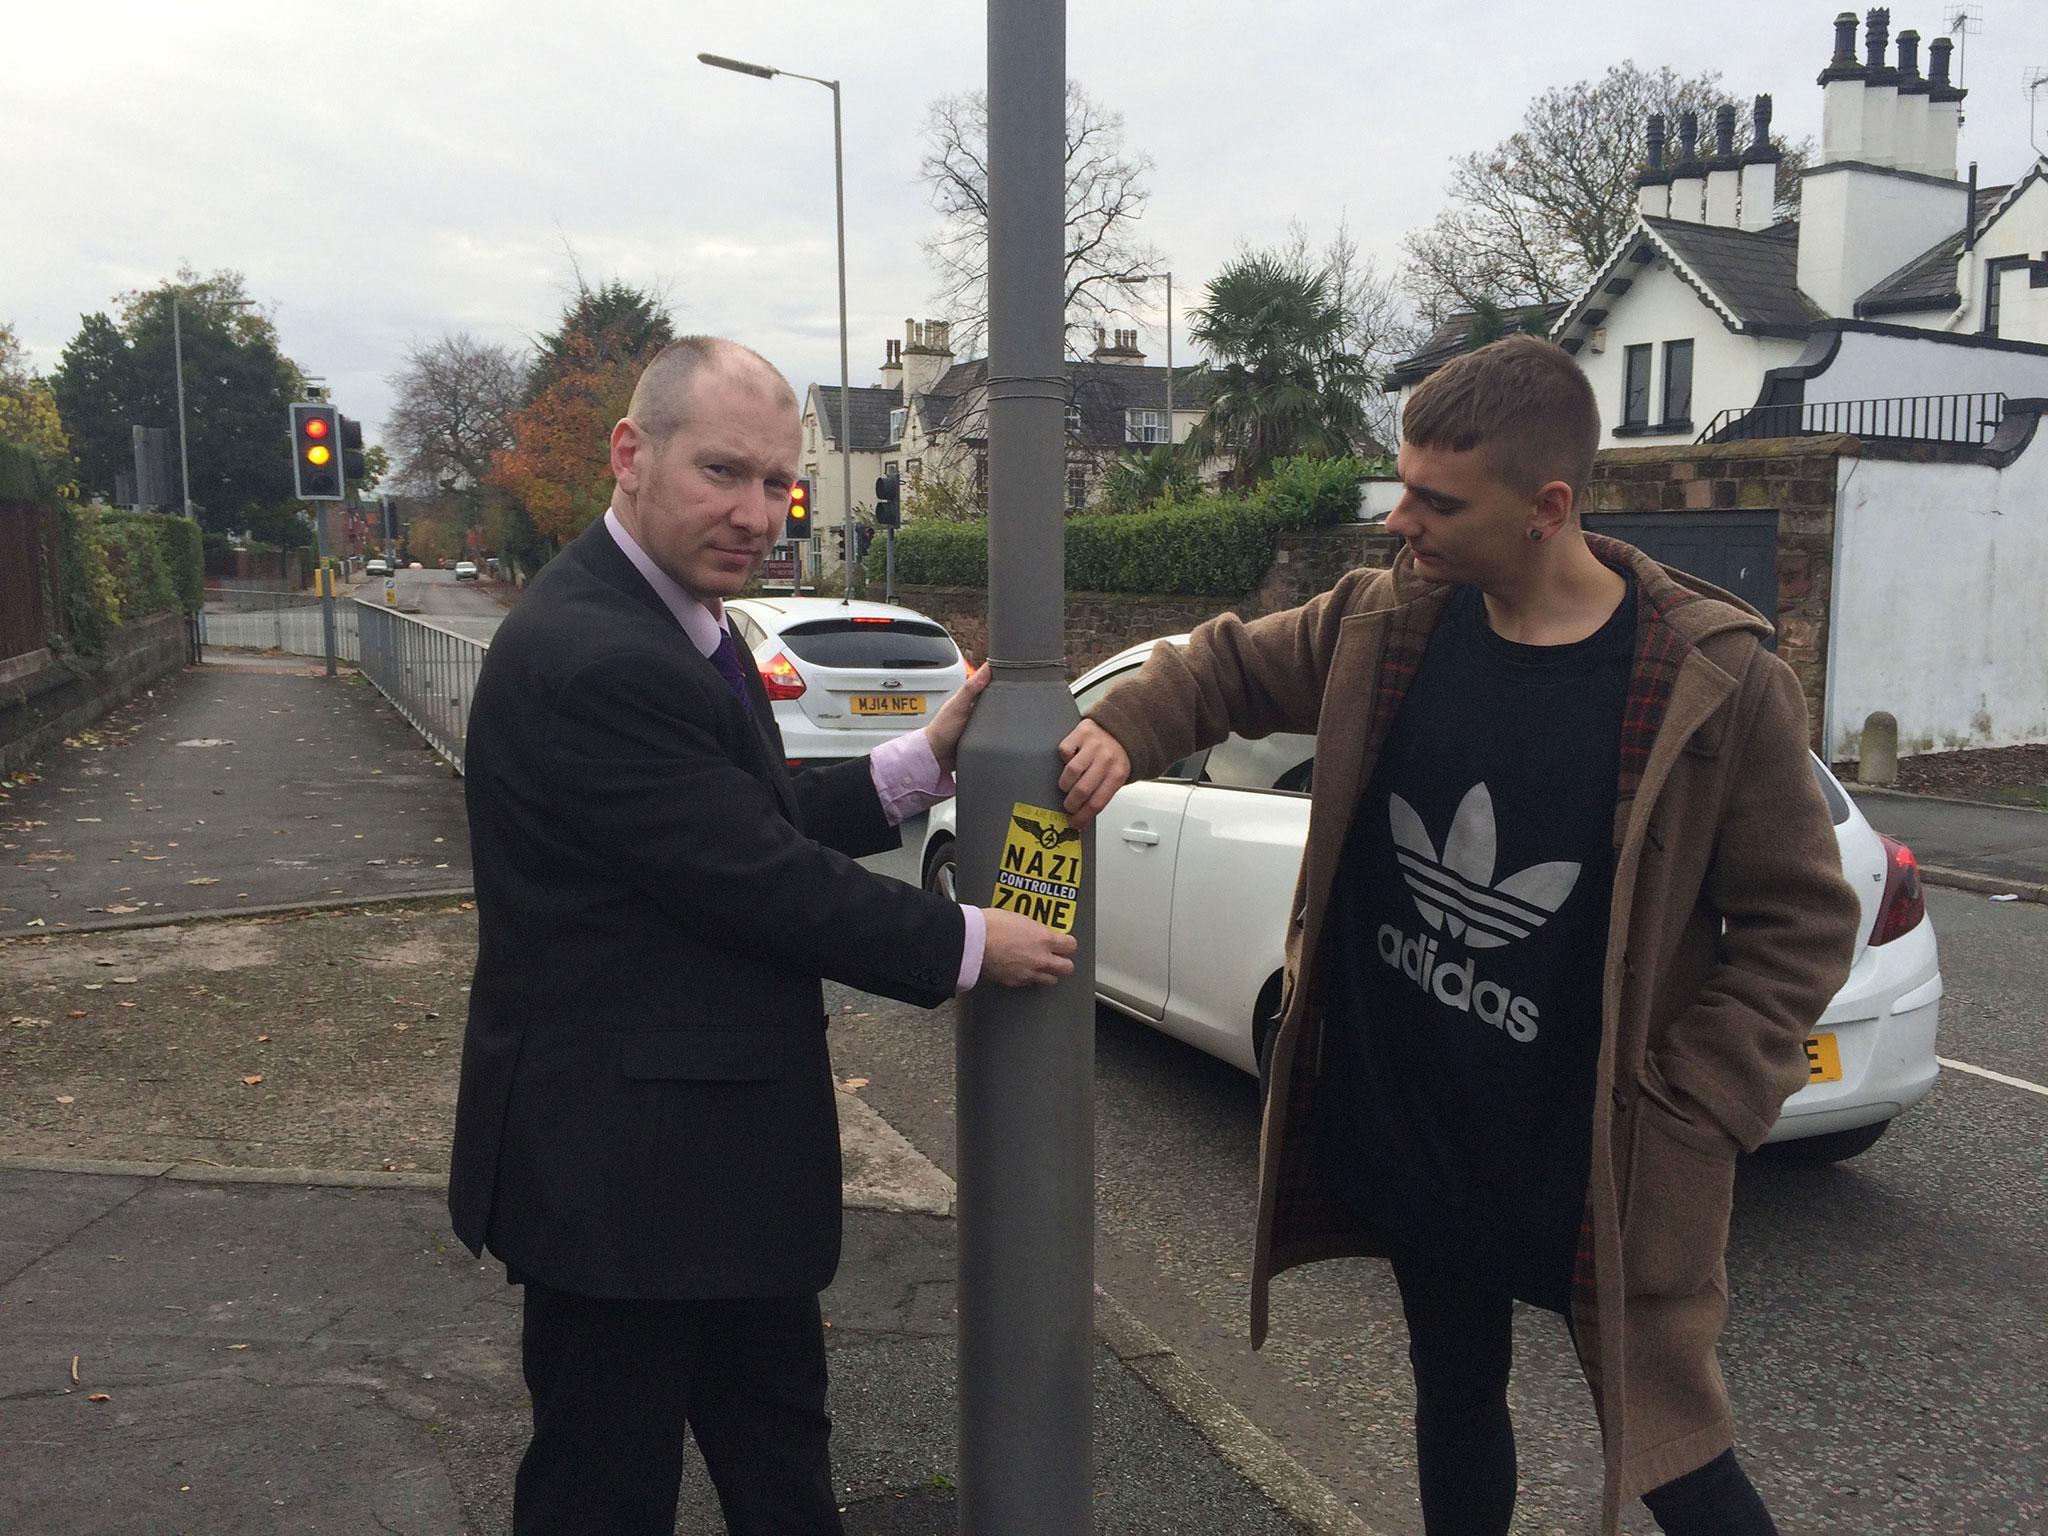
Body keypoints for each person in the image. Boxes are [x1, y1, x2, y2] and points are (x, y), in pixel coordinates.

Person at [1057, 335, 1860, 1536]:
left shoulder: (1712, 679)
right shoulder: (1391, 622)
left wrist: (1696, 1099)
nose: (1399, 523)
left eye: (1435, 500)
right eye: (1400, 485)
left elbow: (1802, 921)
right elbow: (1223, 665)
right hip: (1428, 1122)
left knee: (1676, 1461)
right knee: (1453, 1404)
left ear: (1547, 507)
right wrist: (1126, 726)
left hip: (1599, 1150)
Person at [448, 335, 1075, 1536]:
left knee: (781, 1461)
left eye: (776, 483)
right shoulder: (598, 656)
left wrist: (912, 763)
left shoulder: (679, 612)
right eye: (722, 472)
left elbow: (737, 816)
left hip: (702, 1169)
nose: (755, 513)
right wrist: (963, 944)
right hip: (623, 1184)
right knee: (603, 1491)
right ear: (632, 455)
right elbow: (754, 879)